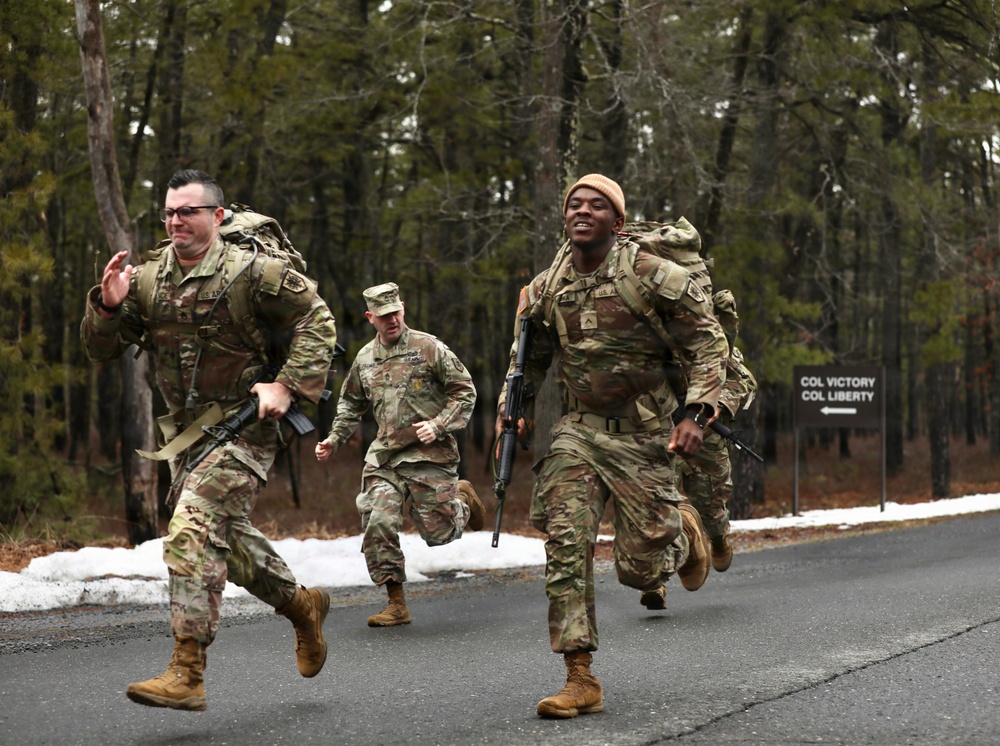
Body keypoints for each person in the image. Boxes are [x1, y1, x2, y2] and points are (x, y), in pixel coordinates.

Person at [81, 169, 338, 711]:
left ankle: (188, 670)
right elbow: (101, 350)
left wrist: (287, 384)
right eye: (170, 212)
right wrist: (106, 307)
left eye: (188, 211)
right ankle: (302, 608)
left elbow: (318, 320)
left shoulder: (254, 272)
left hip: (249, 427)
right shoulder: (149, 279)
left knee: (191, 528)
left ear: (216, 217)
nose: (176, 221)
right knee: (228, 541)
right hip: (190, 438)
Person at [495, 174, 730, 719]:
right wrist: (517, 408)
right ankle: (580, 676)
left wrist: (697, 411)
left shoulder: (650, 274)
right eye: (575, 204)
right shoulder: (549, 285)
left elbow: (706, 340)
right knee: (565, 541)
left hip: (645, 433)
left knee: (639, 569)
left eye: (596, 206)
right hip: (580, 431)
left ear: (617, 222)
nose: (582, 211)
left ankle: (684, 530)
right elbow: (528, 355)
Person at [315, 282, 484, 627]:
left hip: (429, 455)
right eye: (383, 316)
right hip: (386, 458)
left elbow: (465, 393)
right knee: (378, 521)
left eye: (396, 313)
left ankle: (462, 501)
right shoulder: (364, 359)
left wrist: (438, 425)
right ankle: (396, 603)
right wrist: (334, 438)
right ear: (370, 318)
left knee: (440, 535)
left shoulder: (429, 348)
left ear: (403, 308)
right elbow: (351, 404)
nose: (391, 320)